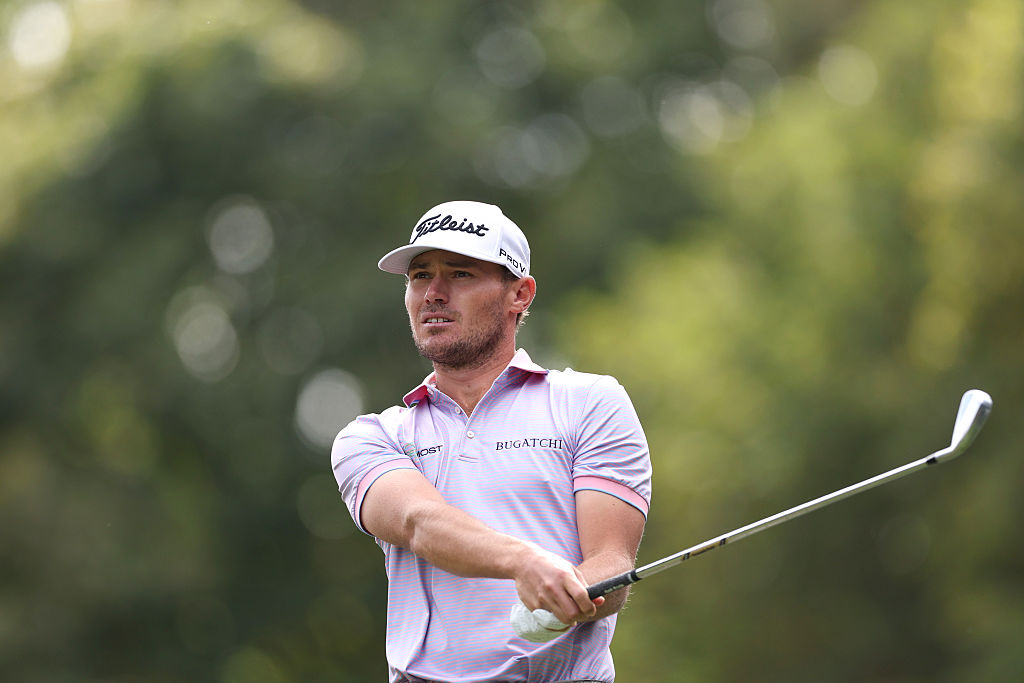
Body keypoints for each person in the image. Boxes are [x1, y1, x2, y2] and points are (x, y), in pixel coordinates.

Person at [332, 201, 652, 682]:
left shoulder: (590, 403)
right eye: (420, 276)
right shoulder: (374, 437)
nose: (433, 294)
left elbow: (610, 562)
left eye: (460, 274)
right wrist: (525, 563)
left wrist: (571, 592)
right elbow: (419, 522)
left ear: (519, 294)